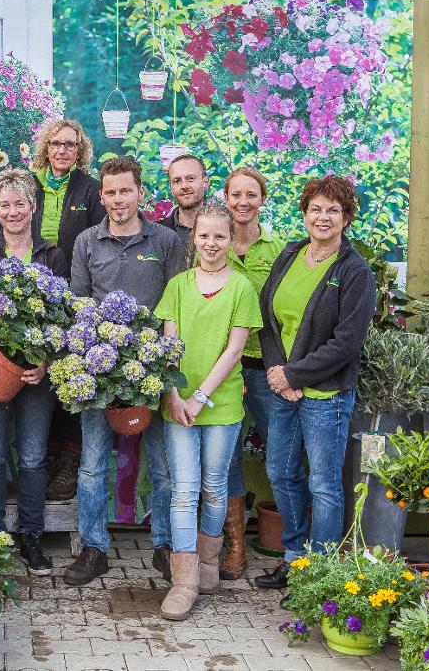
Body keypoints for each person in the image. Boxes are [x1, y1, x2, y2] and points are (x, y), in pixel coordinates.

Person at [63, 156, 187, 587]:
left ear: (141, 193)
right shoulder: (86, 242)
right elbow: (77, 305)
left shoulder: (167, 241)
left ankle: (165, 545)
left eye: (126, 190)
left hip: (152, 369)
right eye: (111, 192)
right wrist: (95, 355)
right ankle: (94, 547)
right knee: (94, 464)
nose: (118, 199)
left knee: (163, 465)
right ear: (102, 197)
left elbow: (177, 305)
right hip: (99, 371)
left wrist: (161, 359)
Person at [254, 175, 377, 590]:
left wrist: (294, 374)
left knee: (324, 483)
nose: (323, 217)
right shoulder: (290, 254)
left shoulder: (354, 271)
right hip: (283, 389)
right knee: (281, 472)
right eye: (316, 209)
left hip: (326, 396)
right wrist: (279, 374)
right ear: (304, 213)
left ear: (346, 218)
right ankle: (295, 558)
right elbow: (267, 321)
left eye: (333, 211)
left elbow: (346, 343)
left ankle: (319, 575)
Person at [154, 205, 261, 620]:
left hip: (221, 404)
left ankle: (208, 563)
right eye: (204, 237)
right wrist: (175, 395)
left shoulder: (242, 288)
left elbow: (235, 351)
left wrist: (200, 396)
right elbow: (169, 347)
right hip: (179, 405)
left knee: (215, 488)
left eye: (220, 237)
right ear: (193, 239)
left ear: (231, 239)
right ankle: (184, 581)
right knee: (184, 490)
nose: (211, 245)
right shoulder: (178, 286)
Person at [0, 168, 68, 576]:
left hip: (35, 373)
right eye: (4, 205)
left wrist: (46, 362)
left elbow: (61, 312)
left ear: (33, 206)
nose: (12, 212)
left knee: (32, 456)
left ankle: (32, 538)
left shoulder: (51, 254)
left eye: (19, 204)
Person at [30, 119, 106, 502]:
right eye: (56, 144)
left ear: (80, 151)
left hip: (73, 297)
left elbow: (95, 243)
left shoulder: (89, 190)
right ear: (46, 147)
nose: (63, 151)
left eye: (71, 145)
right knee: (36, 380)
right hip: (27, 298)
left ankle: (67, 463)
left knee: (67, 376)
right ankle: (35, 462)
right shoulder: (30, 185)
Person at [221, 166, 285, 580]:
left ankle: (289, 551)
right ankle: (236, 545)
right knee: (226, 456)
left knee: (280, 455)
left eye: (251, 194)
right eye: (236, 194)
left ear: (262, 199)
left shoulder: (279, 250)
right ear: (225, 199)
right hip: (225, 367)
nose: (243, 202)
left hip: (265, 367)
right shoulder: (212, 244)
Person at [159, 154, 211, 245]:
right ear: (171, 187)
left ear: (205, 183)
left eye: (190, 178)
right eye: (177, 181)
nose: (184, 186)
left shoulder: (225, 228)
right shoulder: (156, 233)